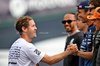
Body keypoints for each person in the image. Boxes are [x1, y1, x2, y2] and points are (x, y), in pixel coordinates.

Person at [8, 16, 78, 66]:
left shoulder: (15, 45)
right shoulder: (26, 46)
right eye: (33, 26)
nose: (36, 28)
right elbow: (50, 60)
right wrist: (68, 51)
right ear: (24, 29)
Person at [70, 0, 96, 66]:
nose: (78, 16)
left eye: (79, 13)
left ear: (88, 11)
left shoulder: (95, 28)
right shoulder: (89, 30)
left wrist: (76, 52)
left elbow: (94, 54)